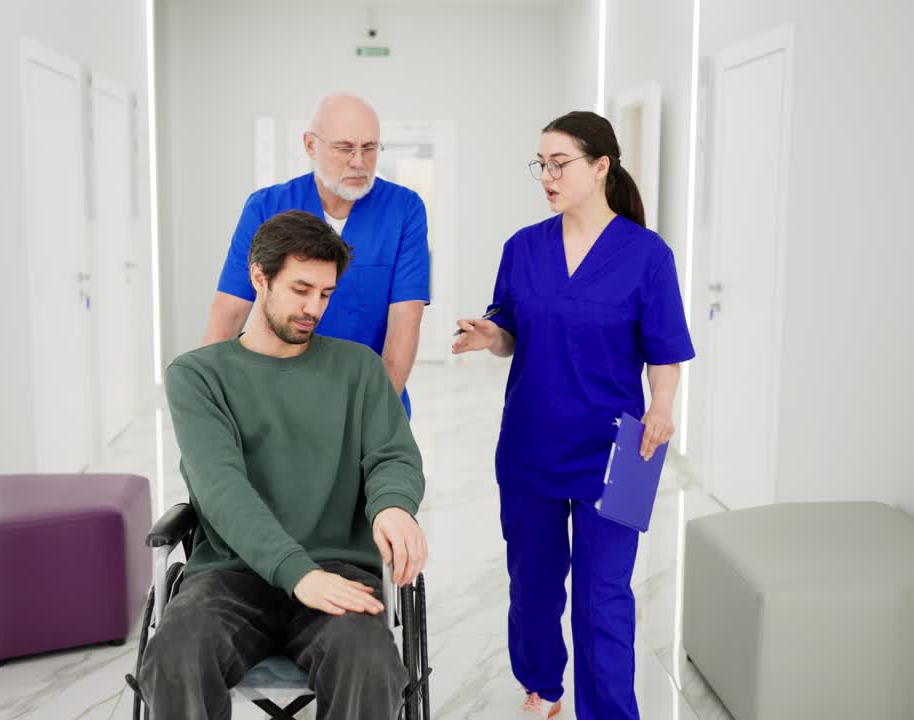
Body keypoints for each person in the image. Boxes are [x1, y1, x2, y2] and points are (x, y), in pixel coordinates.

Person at [452, 111, 695, 720]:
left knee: (603, 597)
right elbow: (509, 327)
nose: (547, 176)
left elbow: (665, 349)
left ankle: (611, 711)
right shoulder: (523, 247)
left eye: (559, 163)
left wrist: (662, 408)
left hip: (624, 450)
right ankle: (542, 683)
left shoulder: (648, 255)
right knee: (533, 583)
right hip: (532, 441)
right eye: (541, 164)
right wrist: (492, 336)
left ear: (601, 166)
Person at [142, 210, 429, 720]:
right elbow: (220, 486)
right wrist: (296, 573)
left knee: (370, 663)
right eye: (300, 289)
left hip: (336, 570)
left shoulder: (357, 368)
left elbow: (393, 454)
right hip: (230, 574)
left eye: (325, 293)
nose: (313, 307)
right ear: (259, 276)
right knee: (174, 658)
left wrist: (392, 507)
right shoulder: (198, 376)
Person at [203, 93, 429, 416]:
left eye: (369, 149)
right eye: (344, 148)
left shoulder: (404, 210)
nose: (358, 162)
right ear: (310, 145)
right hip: (277, 402)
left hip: (370, 399)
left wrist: (375, 418)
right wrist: (206, 403)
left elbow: (405, 324)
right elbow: (228, 314)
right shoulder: (266, 207)